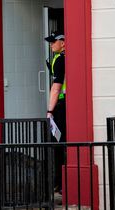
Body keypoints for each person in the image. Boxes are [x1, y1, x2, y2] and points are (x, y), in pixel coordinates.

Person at [44, 31, 66, 194]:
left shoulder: (60, 60)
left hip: (60, 106)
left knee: (58, 144)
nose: (51, 45)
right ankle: (60, 183)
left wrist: (49, 111)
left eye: (54, 42)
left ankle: (60, 183)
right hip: (64, 104)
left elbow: (56, 87)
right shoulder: (61, 58)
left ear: (63, 43)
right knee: (61, 143)